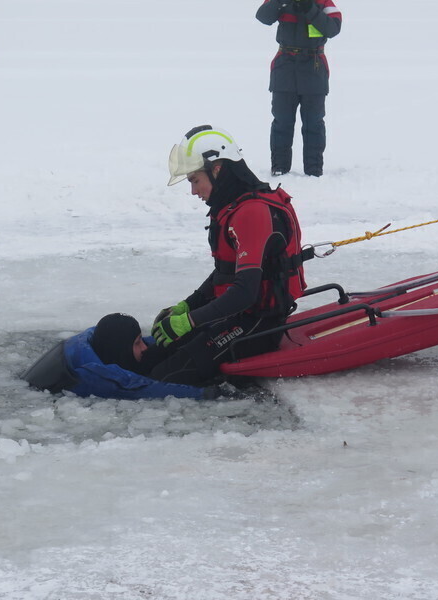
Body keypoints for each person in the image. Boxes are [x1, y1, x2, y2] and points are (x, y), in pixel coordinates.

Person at [148, 125, 307, 386]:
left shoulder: (251, 212)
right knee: (156, 355)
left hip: (258, 323)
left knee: (165, 378)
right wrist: (190, 304)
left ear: (218, 169)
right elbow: (227, 270)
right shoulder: (234, 205)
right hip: (236, 314)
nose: (193, 191)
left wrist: (190, 321)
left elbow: (246, 292)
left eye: (195, 180)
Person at [22, 313, 207, 400]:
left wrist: (177, 339)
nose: (144, 348)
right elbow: (144, 388)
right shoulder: (96, 375)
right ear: (121, 349)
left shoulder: (95, 340)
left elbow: (143, 343)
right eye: (137, 343)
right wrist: (209, 393)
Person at [255, 0, 342, 177]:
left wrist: (310, 9)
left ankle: (314, 170)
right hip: (285, 66)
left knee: (314, 123)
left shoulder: (323, 2)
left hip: (314, 66)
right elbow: (263, 17)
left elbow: (333, 29)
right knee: (282, 122)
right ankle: (279, 168)